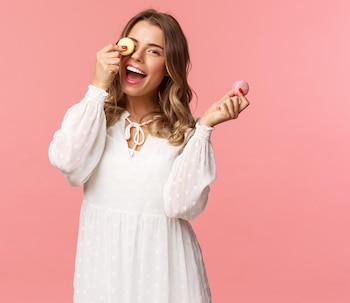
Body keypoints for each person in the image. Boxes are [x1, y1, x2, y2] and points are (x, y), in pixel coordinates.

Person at [48, 8, 249, 303]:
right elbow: (69, 164)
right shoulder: (93, 118)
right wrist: (98, 87)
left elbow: (183, 205)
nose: (137, 57)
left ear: (169, 67)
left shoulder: (185, 131)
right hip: (104, 276)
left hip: (167, 278)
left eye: (153, 51)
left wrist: (204, 128)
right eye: (132, 45)